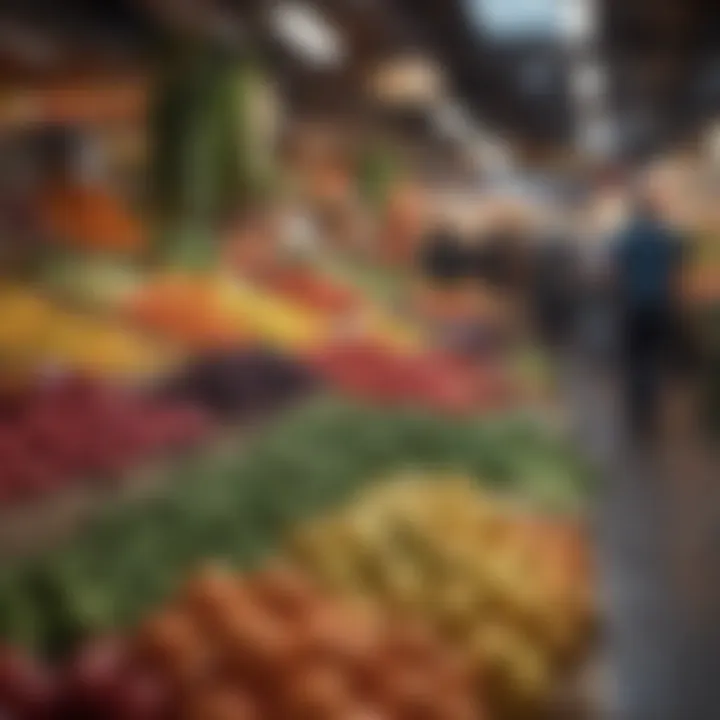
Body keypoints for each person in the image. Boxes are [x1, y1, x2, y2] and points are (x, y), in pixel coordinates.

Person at [613, 190, 684, 438]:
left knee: (635, 357)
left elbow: (616, 268)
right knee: (653, 356)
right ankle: (650, 406)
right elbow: (676, 266)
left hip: (633, 303)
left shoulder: (629, 237)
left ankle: (638, 408)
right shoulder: (665, 237)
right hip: (660, 303)